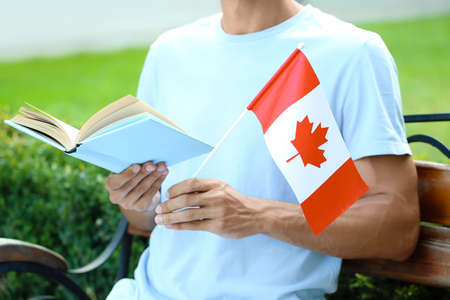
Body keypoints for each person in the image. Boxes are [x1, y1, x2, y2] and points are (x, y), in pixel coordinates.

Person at [105, 1, 420, 299]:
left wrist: (258, 216)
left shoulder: (351, 53)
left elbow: (397, 230)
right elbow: (145, 219)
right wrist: (139, 199)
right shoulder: (170, 52)